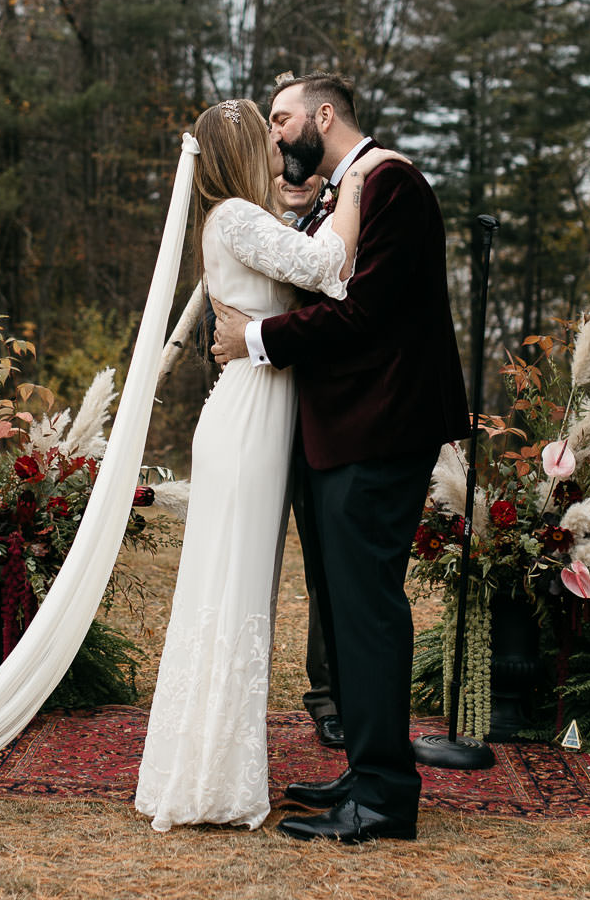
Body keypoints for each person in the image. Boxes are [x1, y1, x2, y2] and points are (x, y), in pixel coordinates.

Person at [212, 71, 469, 845]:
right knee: (343, 608)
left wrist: (251, 341)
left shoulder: (392, 183)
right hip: (337, 429)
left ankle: (388, 799)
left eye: (283, 119)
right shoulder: (340, 194)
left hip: (381, 425)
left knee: (368, 611)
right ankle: (364, 768)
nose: (275, 136)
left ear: (325, 116)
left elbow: (363, 314)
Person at [134, 101, 397, 831]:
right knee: (233, 592)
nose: (279, 145)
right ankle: (211, 778)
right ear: (243, 149)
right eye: (265, 134)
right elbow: (325, 267)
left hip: (256, 408)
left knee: (232, 589)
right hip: (249, 419)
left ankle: (207, 764)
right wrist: (352, 188)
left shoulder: (239, 218)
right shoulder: (235, 219)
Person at [277, 172, 344, 749]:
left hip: (324, 421)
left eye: (303, 176)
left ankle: (331, 697)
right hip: (262, 420)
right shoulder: (253, 234)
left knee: (328, 565)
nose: (292, 182)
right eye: (281, 175)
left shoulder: (334, 232)